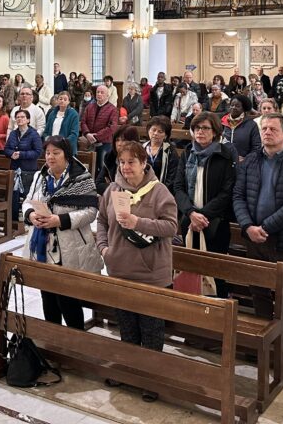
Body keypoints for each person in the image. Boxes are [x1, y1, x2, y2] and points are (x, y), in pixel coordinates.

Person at [96, 140, 178, 402]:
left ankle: (150, 380)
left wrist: (138, 222)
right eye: (122, 162)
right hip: (120, 269)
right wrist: (103, 248)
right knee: (127, 327)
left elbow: (171, 227)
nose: (126, 167)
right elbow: (101, 220)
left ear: (144, 163)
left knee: (151, 330)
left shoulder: (159, 191)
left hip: (151, 275)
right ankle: (128, 371)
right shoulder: (113, 189)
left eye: (131, 161)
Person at [233, 112, 283, 350]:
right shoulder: (251, 160)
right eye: (264, 128)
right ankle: (263, 337)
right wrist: (247, 226)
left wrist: (265, 227)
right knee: (257, 289)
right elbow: (238, 196)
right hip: (253, 237)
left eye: (273, 129)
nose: (267, 132)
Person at [22, 136, 102, 330]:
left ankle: (76, 340)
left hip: (70, 245)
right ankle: (53, 338)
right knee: (47, 296)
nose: (50, 157)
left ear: (67, 155)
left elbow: (91, 212)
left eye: (56, 153)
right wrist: (31, 215)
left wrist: (60, 220)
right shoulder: (40, 176)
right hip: (43, 244)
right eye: (48, 153)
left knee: (67, 299)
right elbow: (27, 201)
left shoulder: (81, 178)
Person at [174, 112, 237, 295]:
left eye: (205, 128)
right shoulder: (188, 153)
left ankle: (218, 309)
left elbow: (226, 192)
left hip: (215, 223)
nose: (200, 132)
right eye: (196, 128)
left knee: (215, 274)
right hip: (189, 221)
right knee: (190, 270)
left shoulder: (225, 155)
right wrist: (191, 213)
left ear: (215, 131)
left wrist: (203, 215)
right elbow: (178, 187)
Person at [5, 108, 42, 219]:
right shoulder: (13, 133)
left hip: (28, 170)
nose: (19, 119)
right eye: (17, 117)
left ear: (28, 120)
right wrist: (11, 154)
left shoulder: (33, 134)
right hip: (15, 168)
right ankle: (13, 219)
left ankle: (30, 218)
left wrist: (21, 154)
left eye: (22, 117)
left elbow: (38, 152)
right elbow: (6, 149)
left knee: (28, 196)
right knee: (13, 195)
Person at [79, 85, 118, 170]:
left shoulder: (112, 109)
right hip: (89, 141)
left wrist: (96, 136)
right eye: (97, 92)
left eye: (102, 92)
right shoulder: (90, 106)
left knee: (102, 168)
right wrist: (87, 134)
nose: (99, 94)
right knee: (89, 168)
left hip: (104, 143)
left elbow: (112, 127)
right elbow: (83, 122)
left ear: (107, 95)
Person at [99, 125, 141, 195]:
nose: (119, 144)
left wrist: (112, 186)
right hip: (112, 199)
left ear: (133, 141)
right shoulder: (110, 157)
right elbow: (98, 185)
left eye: (124, 140)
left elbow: (134, 188)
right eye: (117, 140)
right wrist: (116, 188)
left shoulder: (140, 159)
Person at [221, 94, 261, 160]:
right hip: (224, 161)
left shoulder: (252, 125)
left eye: (237, 106)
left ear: (244, 109)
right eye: (232, 105)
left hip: (244, 163)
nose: (233, 107)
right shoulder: (222, 122)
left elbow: (256, 148)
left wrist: (246, 159)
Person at [145, 116, 178, 185]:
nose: (155, 133)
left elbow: (172, 177)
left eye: (160, 131)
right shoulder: (142, 148)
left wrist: (161, 189)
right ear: (148, 130)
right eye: (153, 130)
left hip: (163, 188)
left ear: (165, 136)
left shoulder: (170, 151)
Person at [45, 91, 80, 155]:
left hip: (66, 148)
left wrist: (62, 143)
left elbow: (74, 134)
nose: (62, 101)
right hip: (51, 146)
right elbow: (46, 131)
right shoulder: (52, 113)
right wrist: (48, 139)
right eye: (60, 99)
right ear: (57, 100)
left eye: (65, 99)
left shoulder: (74, 114)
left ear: (69, 101)